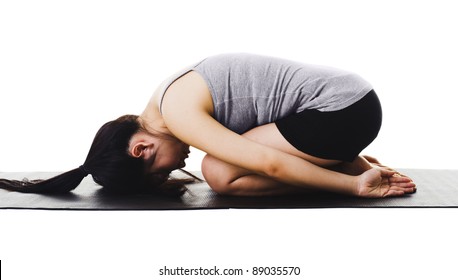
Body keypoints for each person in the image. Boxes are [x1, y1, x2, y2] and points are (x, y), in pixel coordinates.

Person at [0, 53, 415, 197]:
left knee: (219, 173)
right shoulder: (167, 101)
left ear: (140, 148)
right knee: (220, 165)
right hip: (349, 106)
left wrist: (353, 187)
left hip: (342, 111)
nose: (179, 163)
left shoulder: (177, 113)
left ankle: (346, 172)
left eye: (160, 169)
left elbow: (267, 163)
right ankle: (341, 161)